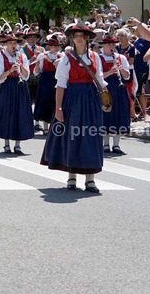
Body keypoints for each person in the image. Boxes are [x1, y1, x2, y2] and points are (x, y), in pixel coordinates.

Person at [41, 23, 107, 193]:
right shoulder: (66, 59)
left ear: (87, 39)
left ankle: (90, 179)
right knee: (72, 137)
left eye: (82, 35)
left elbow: (99, 80)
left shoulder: (95, 57)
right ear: (72, 38)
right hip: (72, 99)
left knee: (91, 137)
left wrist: (106, 100)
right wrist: (58, 109)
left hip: (91, 99)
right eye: (75, 35)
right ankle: (71, 176)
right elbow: (61, 85)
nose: (78, 38)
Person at [0, 34, 33, 155]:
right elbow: (0, 77)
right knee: (7, 114)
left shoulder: (22, 56)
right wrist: (10, 70)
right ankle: (6, 144)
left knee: (20, 113)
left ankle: (18, 145)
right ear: (6, 44)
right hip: (7, 86)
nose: (13, 45)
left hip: (20, 87)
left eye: (15, 43)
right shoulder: (0, 57)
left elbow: (26, 76)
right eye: (11, 43)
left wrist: (20, 66)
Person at [100, 35, 132, 155]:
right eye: (109, 44)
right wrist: (109, 72)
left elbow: (127, 76)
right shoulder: (99, 58)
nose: (111, 47)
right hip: (105, 87)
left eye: (113, 44)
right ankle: (106, 144)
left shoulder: (121, 57)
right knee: (106, 114)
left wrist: (120, 69)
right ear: (103, 46)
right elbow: (97, 77)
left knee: (119, 113)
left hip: (119, 88)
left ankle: (117, 145)